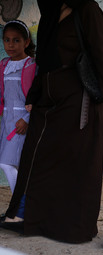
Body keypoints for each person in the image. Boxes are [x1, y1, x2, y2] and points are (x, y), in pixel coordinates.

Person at [0, 0, 103, 244]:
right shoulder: (51, 10)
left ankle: (73, 228)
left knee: (79, 165)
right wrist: (34, 95)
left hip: (81, 102)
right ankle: (31, 219)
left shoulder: (87, 9)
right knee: (40, 159)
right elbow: (44, 60)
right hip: (50, 101)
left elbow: (102, 55)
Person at [0, 20, 36, 194]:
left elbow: (37, 96)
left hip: (22, 123)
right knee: (16, 164)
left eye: (16, 40)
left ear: (26, 42)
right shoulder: (4, 65)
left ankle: (19, 205)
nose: (11, 45)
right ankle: (22, 206)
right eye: (6, 40)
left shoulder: (31, 65)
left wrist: (27, 119)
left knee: (6, 164)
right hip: (7, 122)